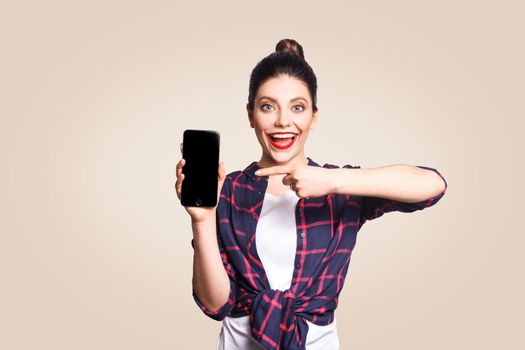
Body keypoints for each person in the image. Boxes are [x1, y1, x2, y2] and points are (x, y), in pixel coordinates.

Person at [175, 38, 447, 350]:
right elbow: (216, 305)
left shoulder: (338, 187)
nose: (283, 121)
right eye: (267, 107)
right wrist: (203, 219)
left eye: (298, 107)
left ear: (313, 117)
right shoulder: (231, 189)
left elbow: (432, 186)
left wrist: (334, 181)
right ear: (250, 115)